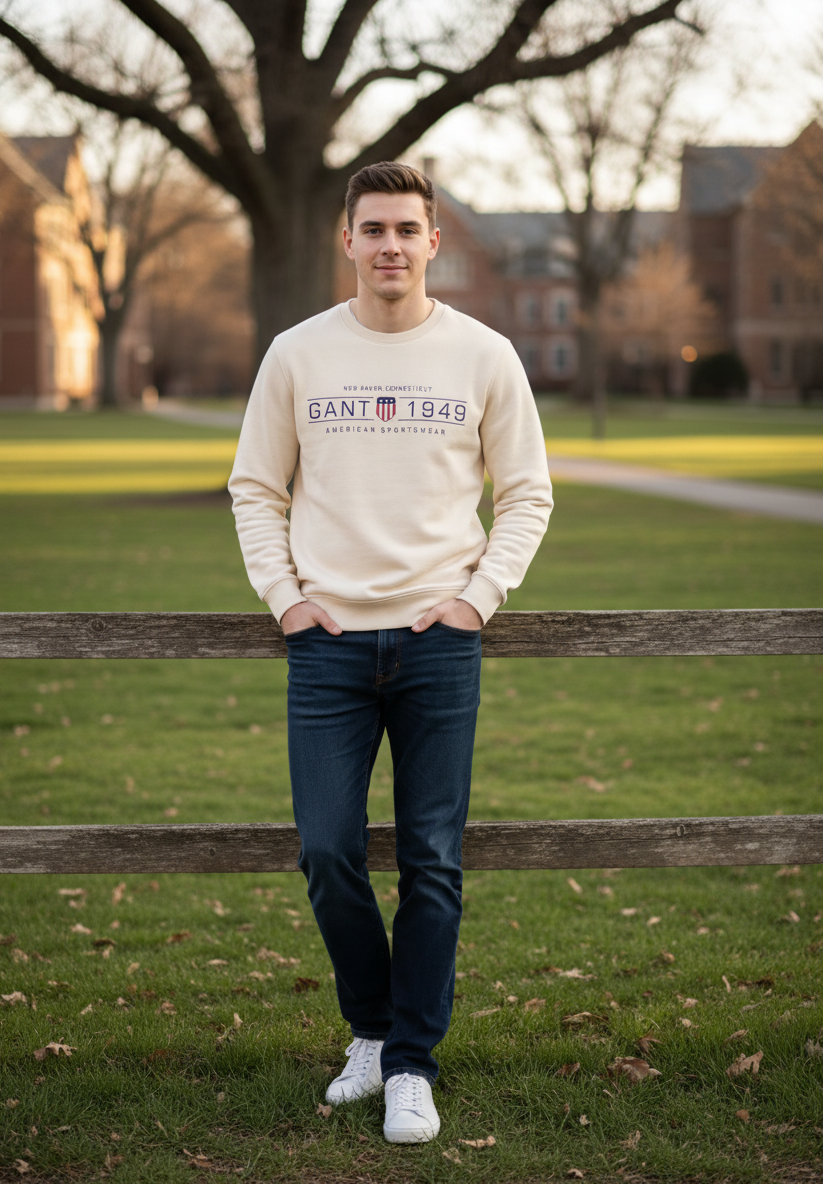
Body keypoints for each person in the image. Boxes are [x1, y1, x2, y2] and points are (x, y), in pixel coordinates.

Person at [229, 162, 552, 1143]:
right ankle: (371, 1029)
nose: (390, 247)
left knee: (433, 860)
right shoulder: (297, 354)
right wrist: (285, 597)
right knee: (328, 851)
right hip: (327, 647)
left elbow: (527, 492)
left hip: (437, 645)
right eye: (373, 230)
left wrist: (477, 597)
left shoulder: (485, 355)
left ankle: (411, 1059)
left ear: (432, 242)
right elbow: (255, 487)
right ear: (347, 241)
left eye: (407, 230)